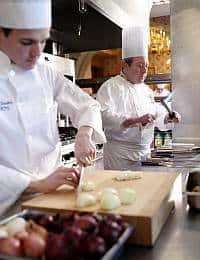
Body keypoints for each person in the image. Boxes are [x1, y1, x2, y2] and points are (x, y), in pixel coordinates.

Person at [0, 0, 106, 217]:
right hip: (7, 204)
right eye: (27, 42)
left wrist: (84, 134)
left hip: (54, 196)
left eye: (42, 41)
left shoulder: (44, 72)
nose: (37, 53)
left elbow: (87, 105)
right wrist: (36, 184)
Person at [97, 26, 180, 171]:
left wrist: (167, 118)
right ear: (124, 65)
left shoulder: (146, 90)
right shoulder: (110, 87)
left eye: (146, 66)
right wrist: (133, 121)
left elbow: (155, 116)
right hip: (119, 156)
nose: (144, 71)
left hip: (144, 155)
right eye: (139, 66)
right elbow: (102, 116)